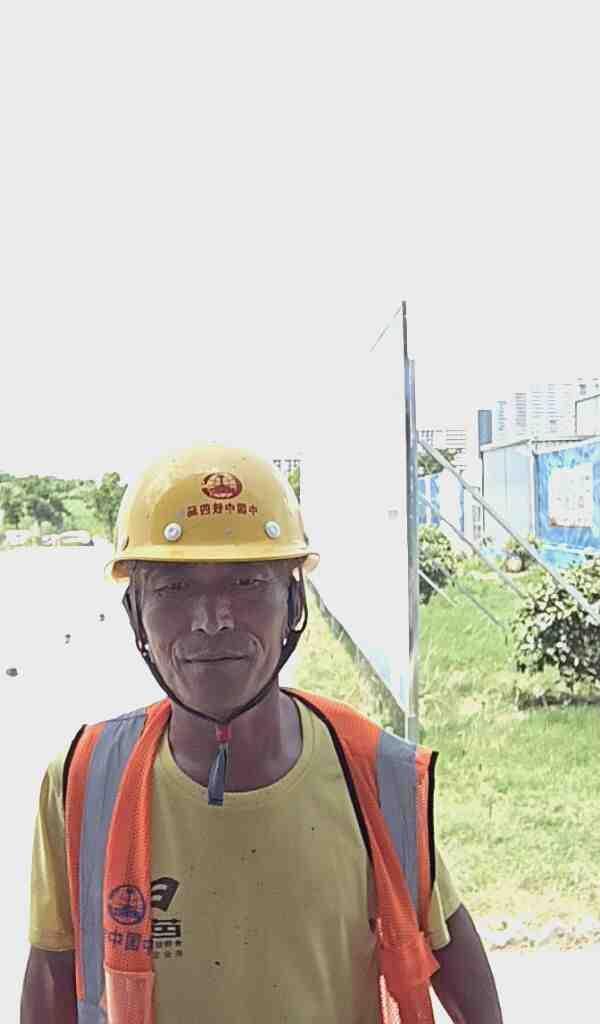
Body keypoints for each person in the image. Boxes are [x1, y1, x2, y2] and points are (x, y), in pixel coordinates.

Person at [21, 444, 503, 1023]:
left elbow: (451, 947)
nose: (212, 619)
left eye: (247, 582)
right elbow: (52, 973)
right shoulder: (85, 779)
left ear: (293, 602)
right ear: (135, 613)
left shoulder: (375, 774)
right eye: (173, 588)